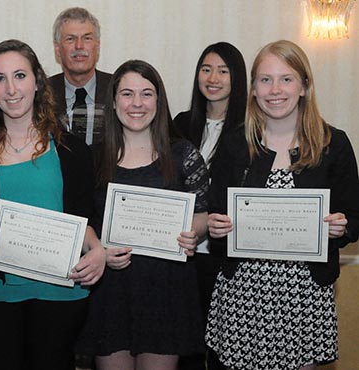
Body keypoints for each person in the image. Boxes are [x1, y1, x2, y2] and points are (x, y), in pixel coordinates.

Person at [206, 40, 359, 370]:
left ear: (304, 86)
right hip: (243, 293)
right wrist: (217, 227)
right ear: (254, 89)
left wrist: (342, 226)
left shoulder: (334, 144)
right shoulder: (235, 144)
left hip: (304, 293)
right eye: (265, 79)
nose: (275, 90)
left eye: (286, 79)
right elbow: (216, 212)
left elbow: (355, 218)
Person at [0, 39, 106, 370]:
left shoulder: (73, 151)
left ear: (38, 82)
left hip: (60, 293)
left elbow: (85, 221)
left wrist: (97, 251)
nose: (11, 88)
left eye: (20, 75)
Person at [75, 60, 209, 370]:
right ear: (113, 101)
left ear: (158, 101)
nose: (137, 103)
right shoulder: (93, 157)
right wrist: (98, 250)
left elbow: (203, 212)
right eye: (127, 94)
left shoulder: (182, 153)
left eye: (146, 94)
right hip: (111, 289)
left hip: (166, 290)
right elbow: (81, 218)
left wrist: (192, 231)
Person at [174, 41, 247, 370]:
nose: (213, 77)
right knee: (185, 347)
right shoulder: (181, 123)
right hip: (182, 256)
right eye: (206, 69)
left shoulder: (250, 130)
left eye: (222, 70)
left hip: (223, 259)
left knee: (221, 350)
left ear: (237, 79)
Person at [50, 7, 112, 145]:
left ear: (98, 46)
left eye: (87, 38)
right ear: (58, 49)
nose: (79, 46)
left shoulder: (118, 89)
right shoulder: (41, 94)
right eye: (70, 39)